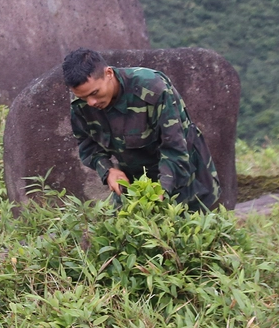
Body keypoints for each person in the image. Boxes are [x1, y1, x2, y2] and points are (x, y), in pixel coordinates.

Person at [63, 48, 219, 211]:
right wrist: (108, 170)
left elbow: (175, 148)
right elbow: (88, 145)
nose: (91, 103)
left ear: (108, 74)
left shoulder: (152, 88)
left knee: (190, 229)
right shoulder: (82, 103)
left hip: (184, 176)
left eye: (95, 93)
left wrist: (160, 192)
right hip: (136, 179)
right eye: (83, 97)